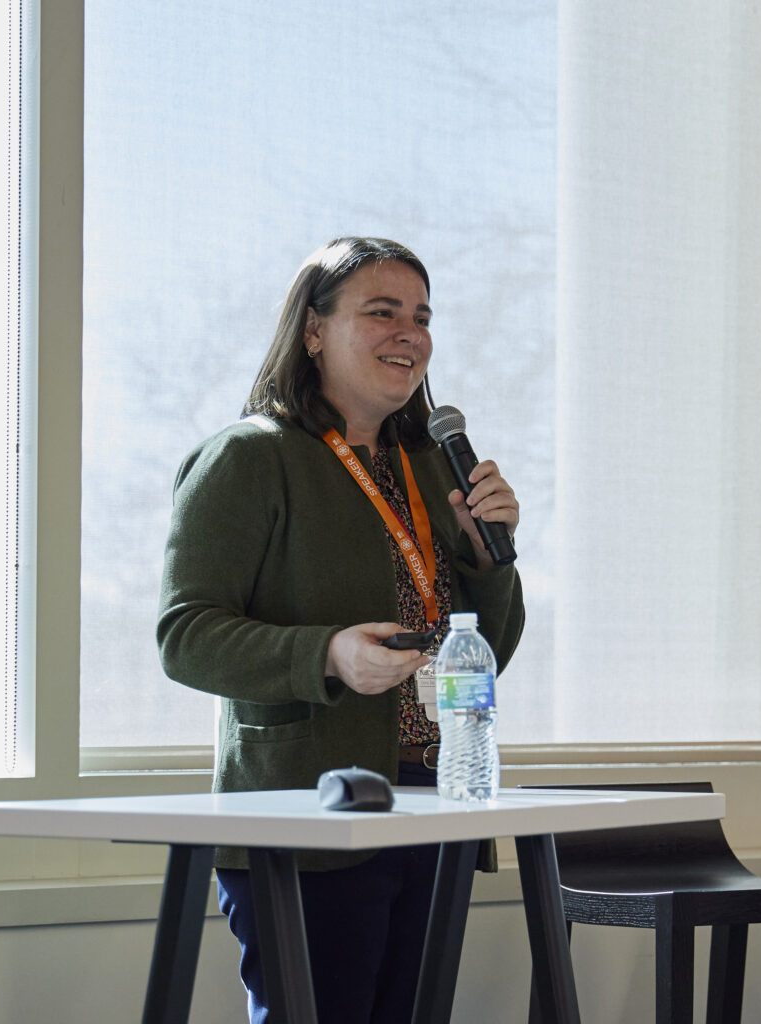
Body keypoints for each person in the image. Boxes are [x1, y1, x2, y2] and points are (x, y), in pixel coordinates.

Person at [157, 236, 525, 1024]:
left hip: (438, 799)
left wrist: (486, 556)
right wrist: (326, 654)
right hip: (309, 808)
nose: (410, 334)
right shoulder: (248, 457)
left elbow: (488, 651)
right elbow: (185, 636)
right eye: (383, 312)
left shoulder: (435, 467)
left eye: (422, 317)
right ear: (314, 330)